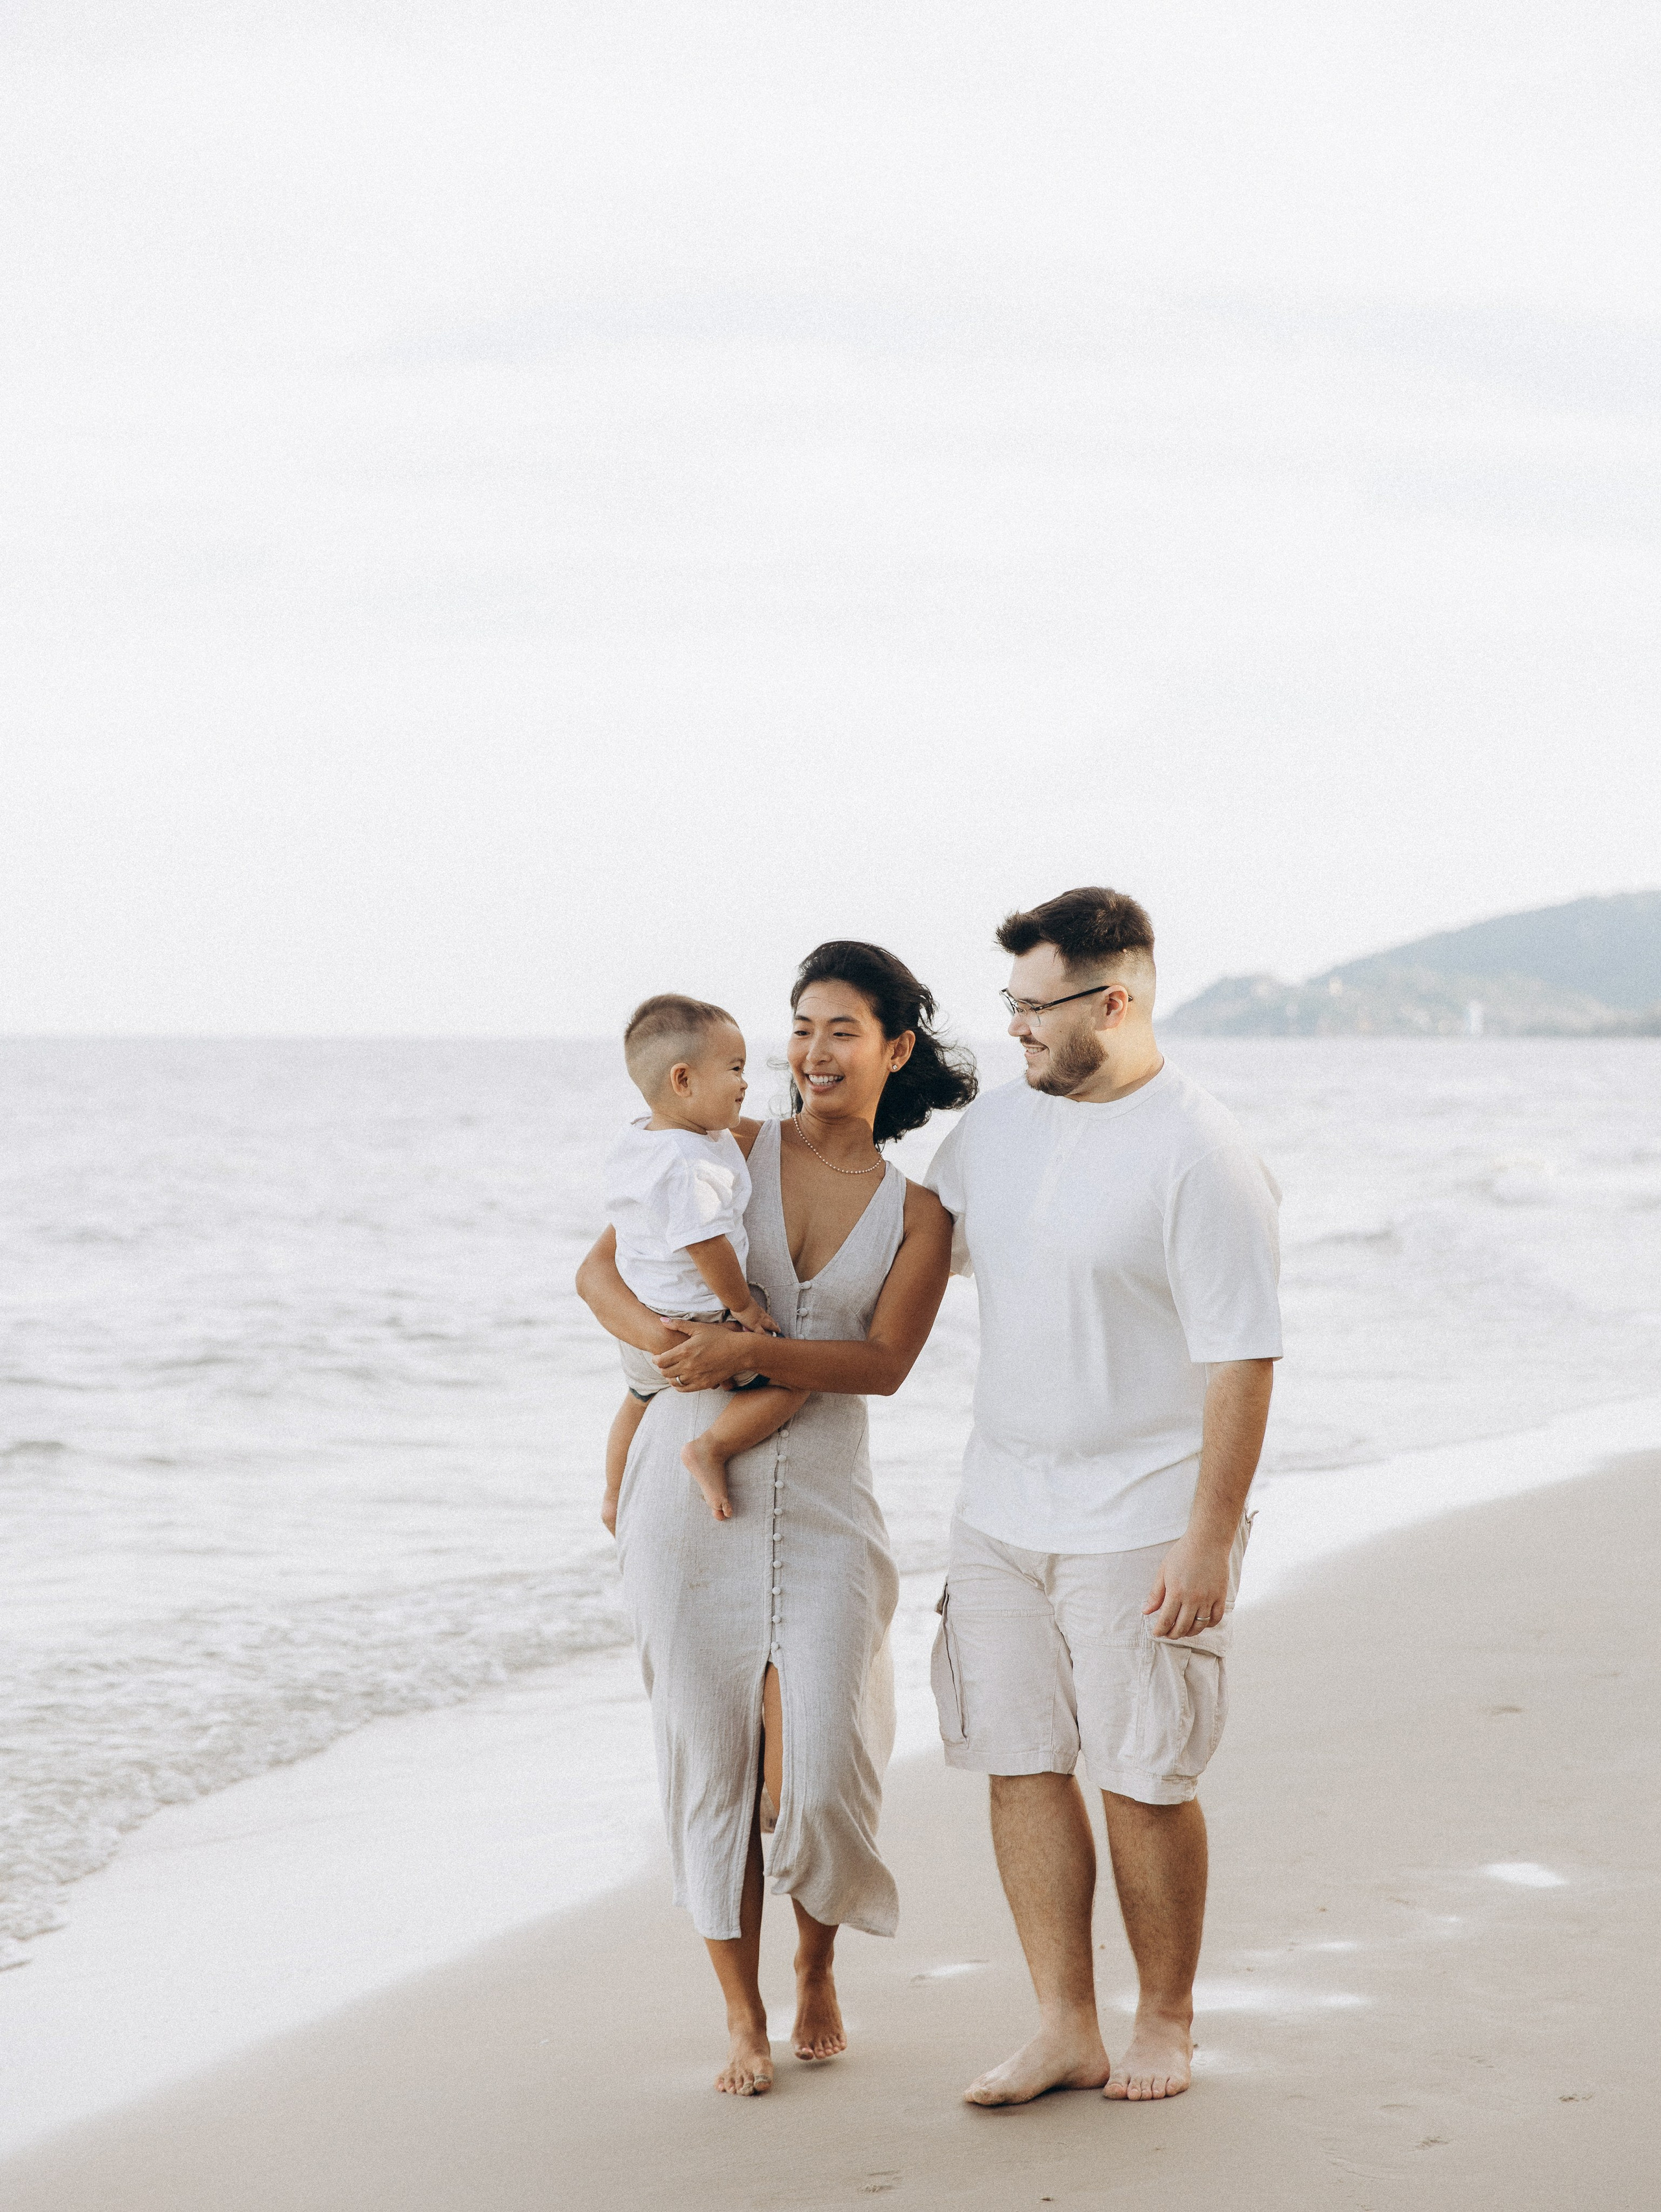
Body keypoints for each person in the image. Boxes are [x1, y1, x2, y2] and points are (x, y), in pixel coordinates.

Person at [575, 942, 973, 2097]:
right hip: (686, 1492)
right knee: (711, 1760)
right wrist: (672, 1356)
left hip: (829, 1502)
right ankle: (745, 2018)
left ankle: (818, 1964)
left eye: (840, 1029)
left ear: (894, 1051)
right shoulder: (713, 1147)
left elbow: (884, 1363)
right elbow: (597, 1277)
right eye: (799, 1026)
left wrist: (749, 1347)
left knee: (822, 1765)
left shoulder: (922, 1214)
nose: (809, 1052)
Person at [925, 885, 1281, 2108]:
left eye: (1034, 1008)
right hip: (998, 1510)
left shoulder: (1204, 1152)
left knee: (1143, 1774)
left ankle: (1165, 2022)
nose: (1014, 1031)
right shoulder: (994, 1134)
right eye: (1010, 1006)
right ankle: (1063, 2025)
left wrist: (1211, 1538)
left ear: (1112, 999)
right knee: (1018, 1760)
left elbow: (1244, 1359)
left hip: (1143, 1515)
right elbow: (894, 1260)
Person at [600, 993, 806, 1526]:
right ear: (684, 1082)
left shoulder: (643, 1140)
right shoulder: (690, 1163)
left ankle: (612, 1496)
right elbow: (706, 1244)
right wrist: (744, 1310)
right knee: (792, 1378)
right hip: (699, 1320)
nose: (745, 1083)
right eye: (735, 1069)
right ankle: (711, 1448)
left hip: (643, 1320)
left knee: (637, 1398)